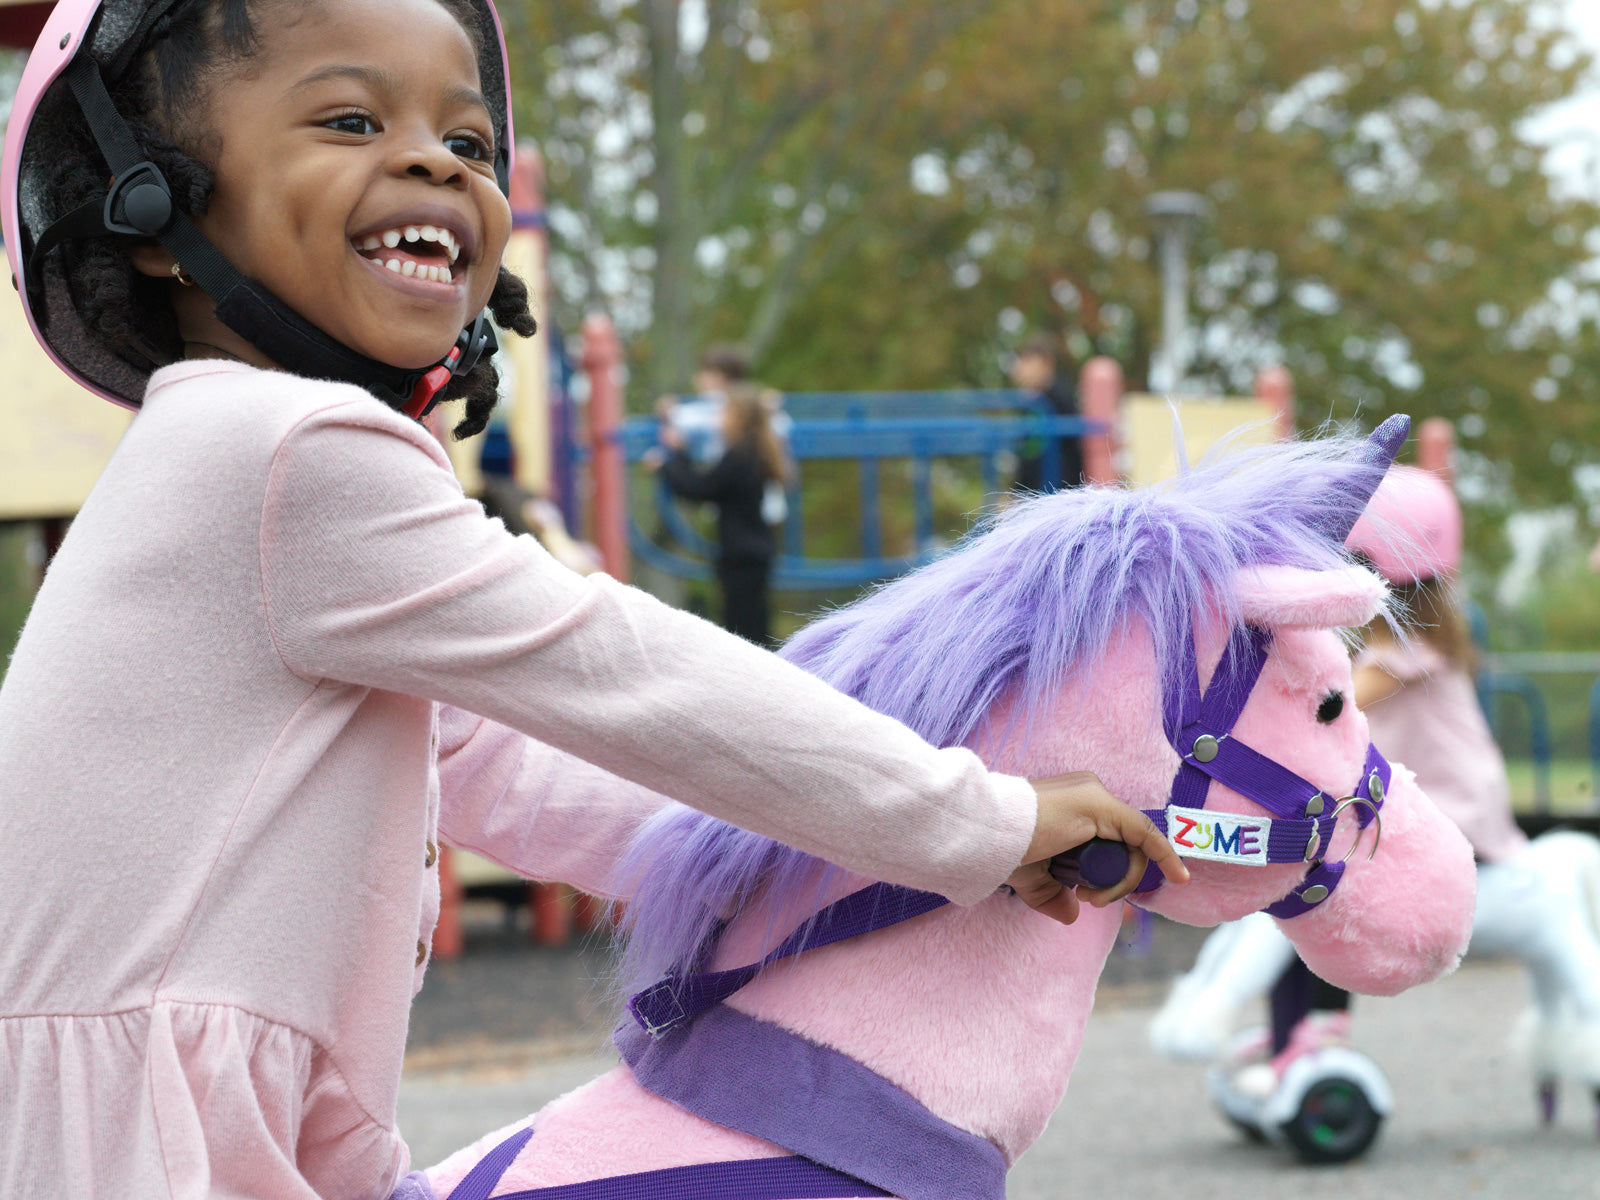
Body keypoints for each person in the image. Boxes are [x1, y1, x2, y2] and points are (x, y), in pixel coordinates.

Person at [0, 2, 1186, 1196]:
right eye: (351, 120)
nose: (433, 162)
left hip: (202, 1113)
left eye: (468, 144)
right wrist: (976, 819)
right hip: (146, 1147)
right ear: (152, 213)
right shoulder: (286, 452)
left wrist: (823, 877)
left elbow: (509, 770)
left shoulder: (250, 476)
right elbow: (615, 667)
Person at [655, 383, 785, 645]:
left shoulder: (740, 456)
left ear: (739, 418)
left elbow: (699, 488)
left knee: (744, 628)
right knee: (752, 622)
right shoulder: (751, 453)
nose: (720, 420)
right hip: (751, 551)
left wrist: (673, 459)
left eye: (726, 413)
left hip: (742, 554)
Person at [1008, 334, 1084, 492]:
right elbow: (1027, 455)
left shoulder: (1060, 399)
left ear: (1046, 362)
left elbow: (1072, 453)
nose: (1021, 369)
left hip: (1060, 493)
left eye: (1028, 361)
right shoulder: (1030, 403)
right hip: (1036, 493)